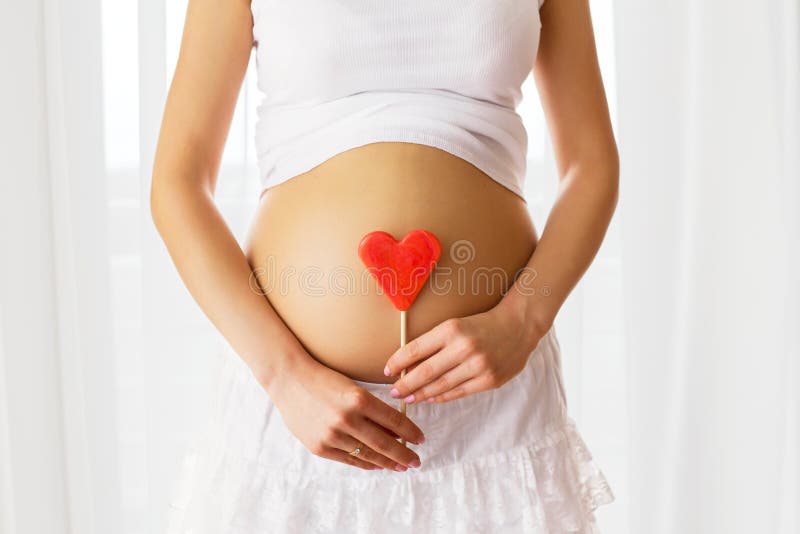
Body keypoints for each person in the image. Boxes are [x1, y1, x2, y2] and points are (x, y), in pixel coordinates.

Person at [151, 0, 618, 531]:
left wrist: (524, 320)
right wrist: (286, 378)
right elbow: (178, 184)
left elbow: (591, 165)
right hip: (296, 417)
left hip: (492, 415)